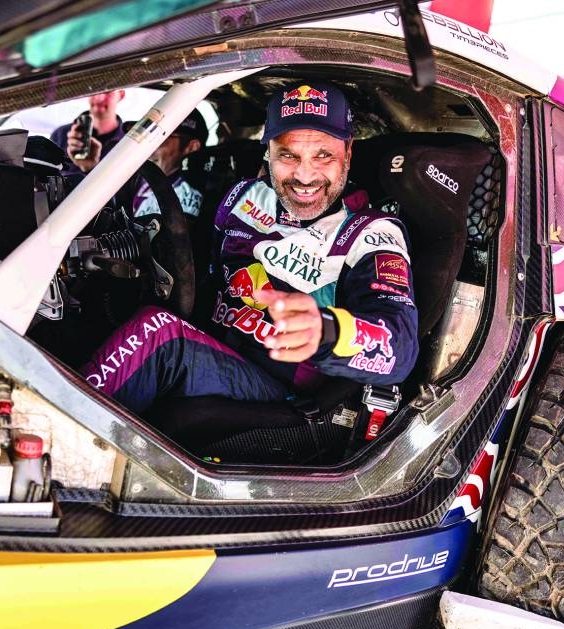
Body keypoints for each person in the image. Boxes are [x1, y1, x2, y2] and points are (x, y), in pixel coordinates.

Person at [80, 82, 418, 414]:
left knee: (157, 334)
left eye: (323, 155)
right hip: (216, 345)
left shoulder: (371, 233)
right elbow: (204, 271)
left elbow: (400, 349)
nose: (304, 175)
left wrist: (327, 330)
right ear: (267, 150)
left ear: (348, 152)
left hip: (279, 387)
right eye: (288, 155)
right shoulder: (244, 197)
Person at [133, 109, 208, 219]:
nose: (151, 147)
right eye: (149, 136)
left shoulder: (185, 196)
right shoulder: (136, 178)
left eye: (160, 138)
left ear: (191, 147)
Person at [50, 90, 126, 172]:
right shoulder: (59, 135)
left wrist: (90, 169)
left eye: (108, 92)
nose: (99, 98)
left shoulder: (130, 143)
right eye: (94, 90)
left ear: (121, 95)